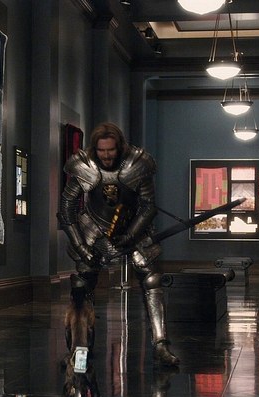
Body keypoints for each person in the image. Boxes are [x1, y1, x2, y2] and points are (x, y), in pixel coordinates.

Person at [57, 122, 179, 366]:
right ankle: (79, 350)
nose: (106, 155)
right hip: (93, 228)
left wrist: (131, 235)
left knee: (151, 279)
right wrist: (81, 246)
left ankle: (161, 345)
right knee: (82, 284)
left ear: (120, 147)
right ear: (95, 149)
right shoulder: (83, 165)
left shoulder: (137, 164)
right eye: (101, 150)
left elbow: (147, 206)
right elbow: (67, 208)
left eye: (110, 150)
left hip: (132, 226)